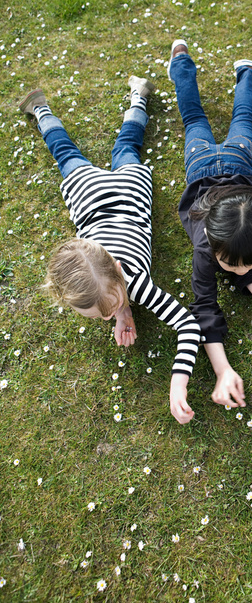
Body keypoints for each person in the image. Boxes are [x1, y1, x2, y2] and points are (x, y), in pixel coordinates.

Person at [19, 76, 201, 424]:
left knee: (95, 151)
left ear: (120, 269)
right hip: (94, 196)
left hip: (123, 194)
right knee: (107, 149)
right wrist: (121, 311)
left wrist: (178, 384)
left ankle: (49, 107)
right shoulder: (111, 273)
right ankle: (126, 99)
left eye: (111, 307)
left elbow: (188, 325)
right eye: (103, 315)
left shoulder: (135, 282)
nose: (107, 317)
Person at [168, 40, 252, 410]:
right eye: (231, 266)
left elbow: (215, 295)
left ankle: (233, 71)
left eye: (251, 263)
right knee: (212, 119)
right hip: (211, 163)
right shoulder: (205, 249)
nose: (240, 270)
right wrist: (221, 369)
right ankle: (227, 70)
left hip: (221, 161)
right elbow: (203, 305)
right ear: (211, 243)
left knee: (213, 120)